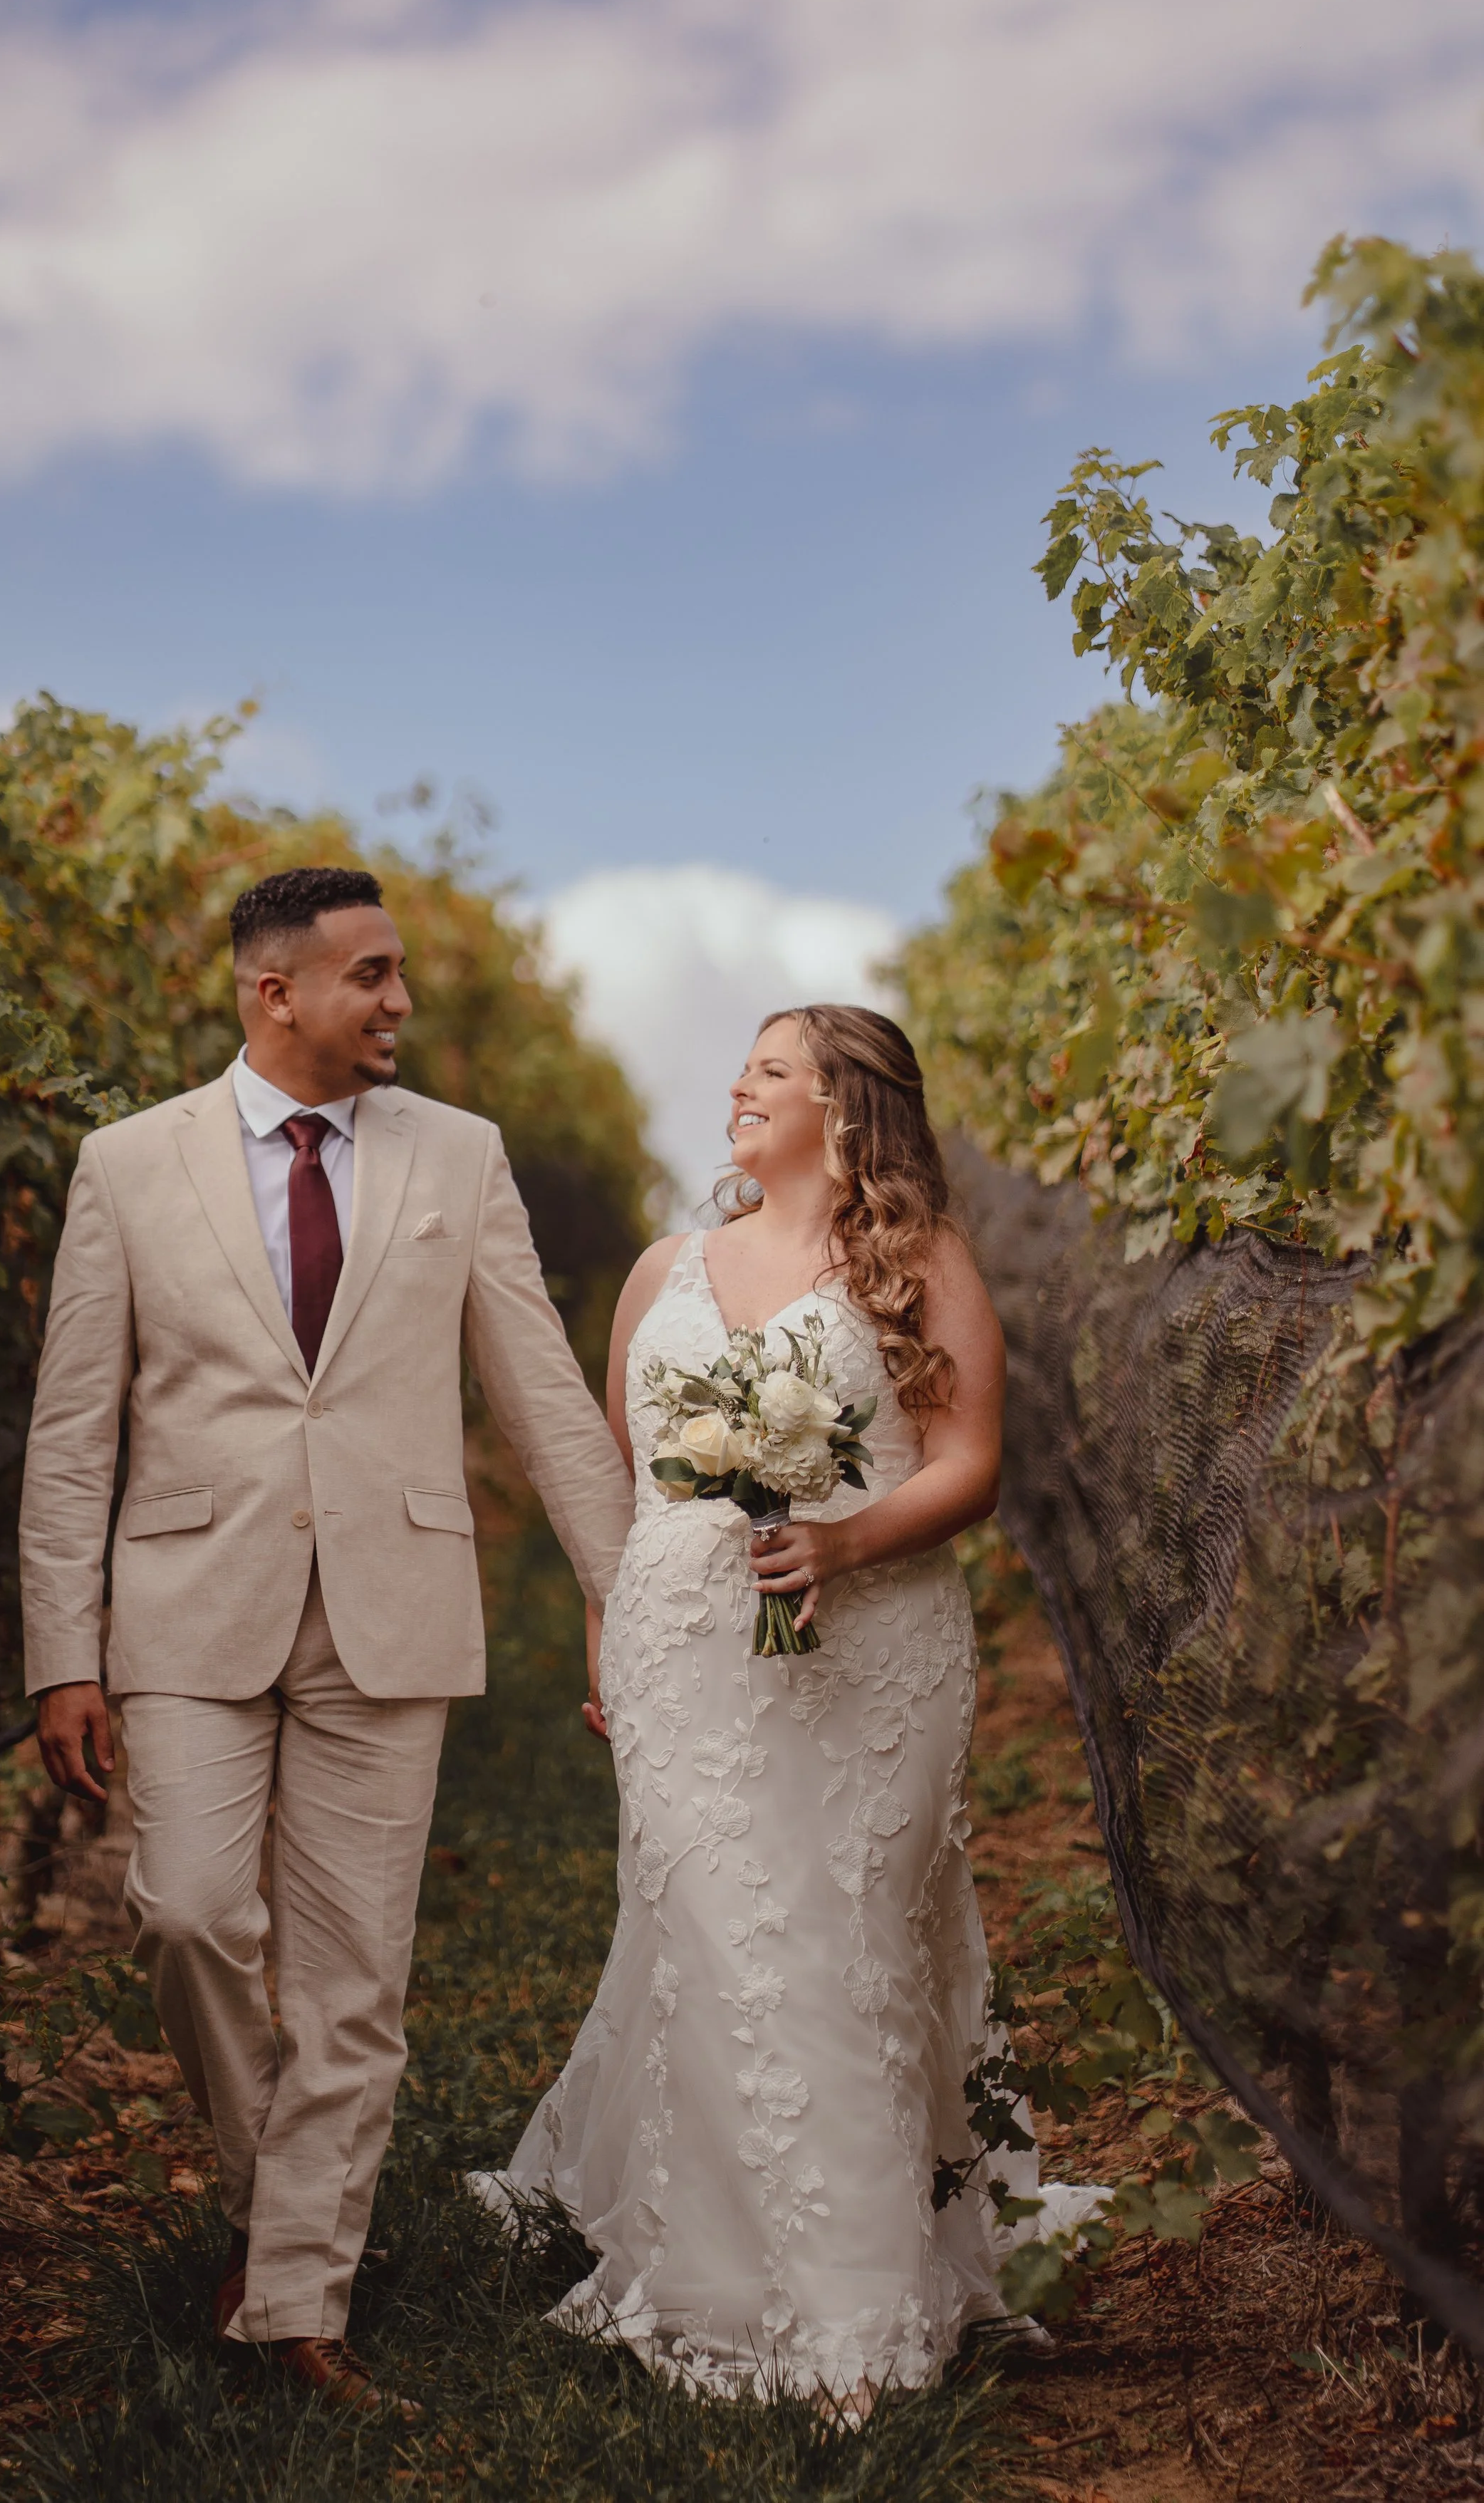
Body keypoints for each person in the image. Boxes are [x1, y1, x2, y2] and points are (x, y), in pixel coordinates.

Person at [19, 864, 634, 2411]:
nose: (400, 1004)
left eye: (401, 974)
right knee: (184, 1913)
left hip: (393, 1606)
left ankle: (298, 2308)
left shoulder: (459, 1157)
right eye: (369, 976)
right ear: (271, 991)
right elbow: (72, 1426)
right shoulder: (127, 1165)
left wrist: (625, 1594)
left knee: (355, 1986)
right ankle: (275, 2188)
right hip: (183, 1606)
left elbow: (540, 1395)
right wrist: (61, 1648)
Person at [472, 1004, 1103, 2410]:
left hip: (872, 1655)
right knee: (717, 1943)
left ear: (847, 1105)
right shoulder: (662, 1272)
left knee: (844, 1949)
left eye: (770, 1071)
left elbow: (968, 1461)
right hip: (681, 1656)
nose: (738, 1091)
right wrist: (602, 1649)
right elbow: (629, 1497)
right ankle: (729, 2274)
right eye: (741, 1072)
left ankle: (857, 2313)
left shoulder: (914, 1261)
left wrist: (840, 1541)